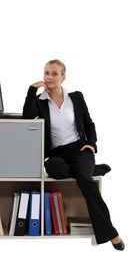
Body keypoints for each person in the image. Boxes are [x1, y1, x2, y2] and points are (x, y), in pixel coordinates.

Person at [23, 59, 124, 250]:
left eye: (54, 73)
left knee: (85, 182)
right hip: (57, 154)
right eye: (46, 73)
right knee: (53, 168)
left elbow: (89, 124)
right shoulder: (40, 101)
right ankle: (89, 169)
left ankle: (112, 234)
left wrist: (91, 144)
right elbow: (28, 116)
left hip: (79, 150)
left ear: (63, 76)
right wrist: (31, 90)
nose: (49, 77)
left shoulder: (75, 97)